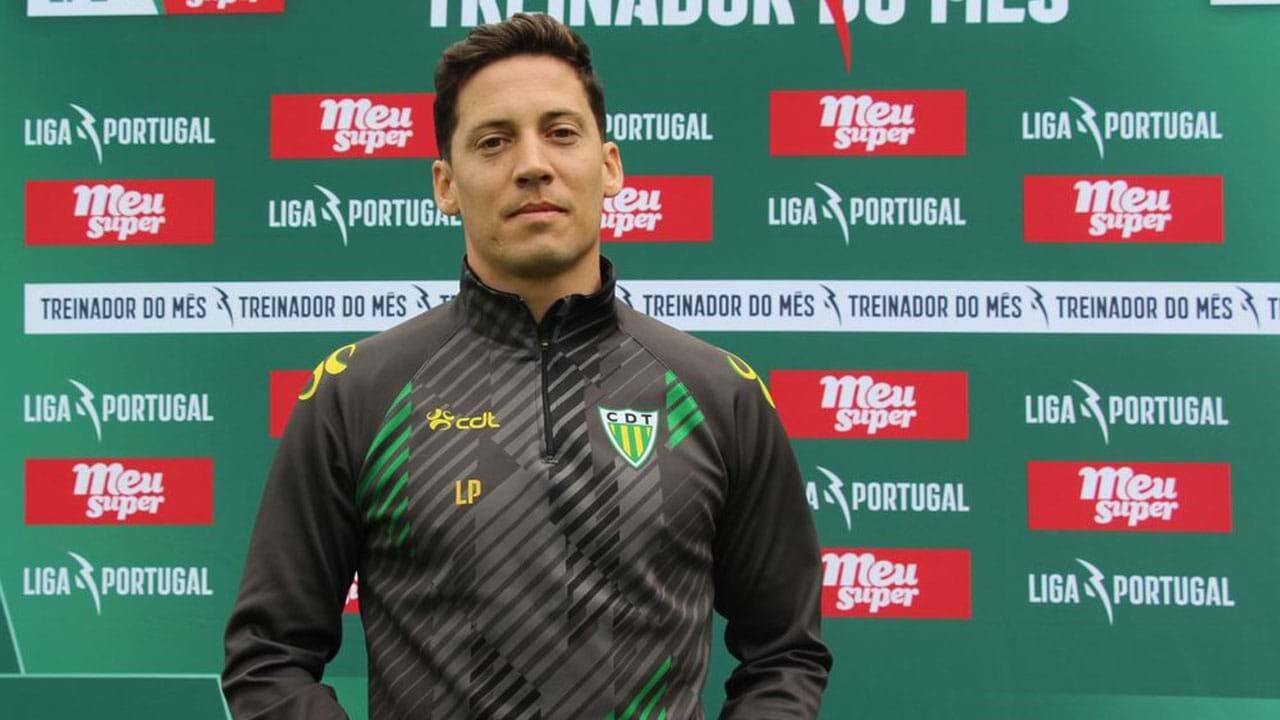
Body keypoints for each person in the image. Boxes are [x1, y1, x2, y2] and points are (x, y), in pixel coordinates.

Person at [222, 13, 830, 719]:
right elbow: (268, 657)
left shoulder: (719, 394)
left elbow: (785, 654)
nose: (533, 164)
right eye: (494, 141)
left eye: (561, 132)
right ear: (446, 185)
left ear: (610, 166)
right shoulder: (356, 395)